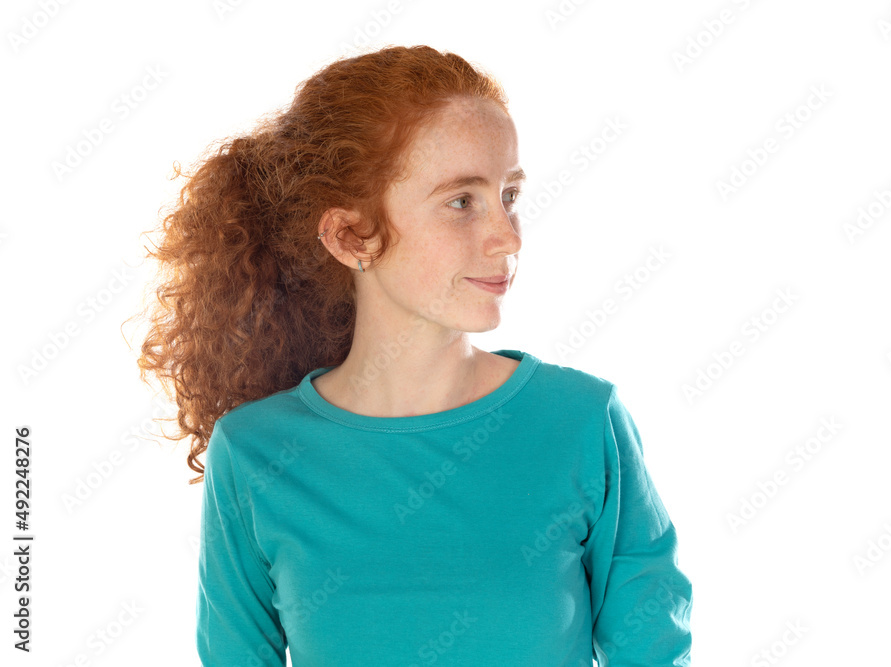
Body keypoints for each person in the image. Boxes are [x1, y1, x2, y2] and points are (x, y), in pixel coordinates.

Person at [132, 44, 692, 666]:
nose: (507, 237)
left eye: (509, 195)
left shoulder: (583, 421)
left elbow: (652, 649)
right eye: (461, 201)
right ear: (351, 236)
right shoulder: (255, 453)